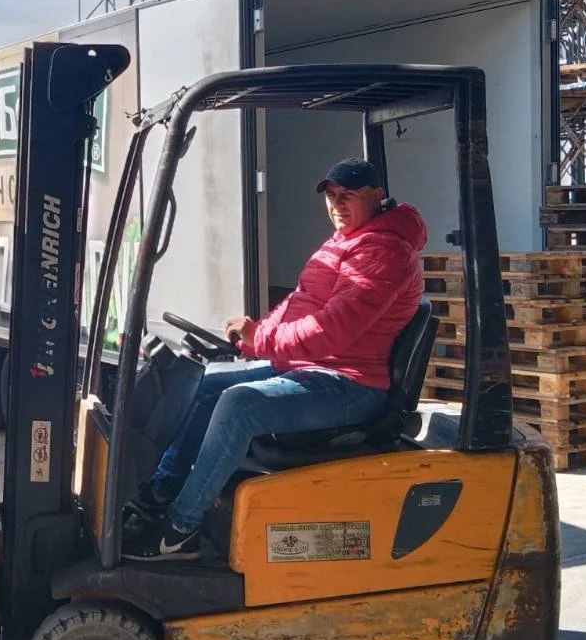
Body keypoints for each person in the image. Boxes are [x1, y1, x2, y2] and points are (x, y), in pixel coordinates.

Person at [121, 158, 426, 562]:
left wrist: (263, 340)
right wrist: (255, 336)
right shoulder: (348, 240)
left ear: (376, 195)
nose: (336, 204)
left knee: (239, 405)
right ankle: (159, 494)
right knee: (210, 383)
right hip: (320, 369)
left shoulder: (384, 252)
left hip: (352, 385)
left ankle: (179, 531)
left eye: (348, 196)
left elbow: (331, 329)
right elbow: (301, 303)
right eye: (332, 196)